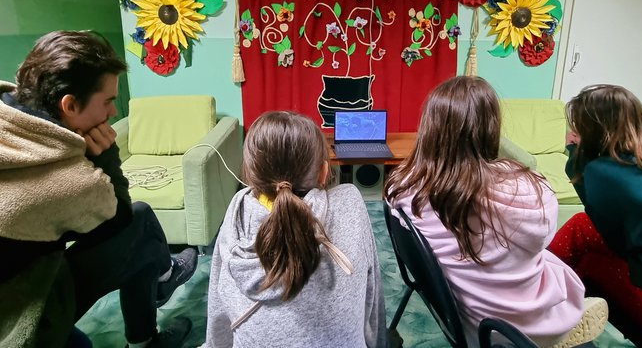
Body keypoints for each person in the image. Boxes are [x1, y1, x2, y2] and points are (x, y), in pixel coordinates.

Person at [0, 30, 198, 348]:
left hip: (17, 279)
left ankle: (161, 285)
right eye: (107, 102)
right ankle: (162, 282)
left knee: (141, 220)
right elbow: (117, 219)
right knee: (139, 227)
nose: (114, 113)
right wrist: (107, 157)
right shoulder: (70, 181)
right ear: (69, 105)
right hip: (19, 320)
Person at [384, 76, 608, 347]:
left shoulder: (403, 187)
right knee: (550, 263)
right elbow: (541, 242)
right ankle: (564, 323)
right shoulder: (530, 193)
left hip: (461, 316)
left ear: (429, 126)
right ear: (492, 129)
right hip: (510, 327)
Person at [203, 111, 386, 348]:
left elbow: (220, 304)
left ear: (250, 174)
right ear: (323, 171)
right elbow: (372, 299)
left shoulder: (238, 210)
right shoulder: (350, 202)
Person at [548, 84, 642, 345]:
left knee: (584, 266)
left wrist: (574, 151)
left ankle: (551, 307)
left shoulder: (604, 174)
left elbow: (586, 190)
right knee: (580, 224)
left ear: (597, 131)